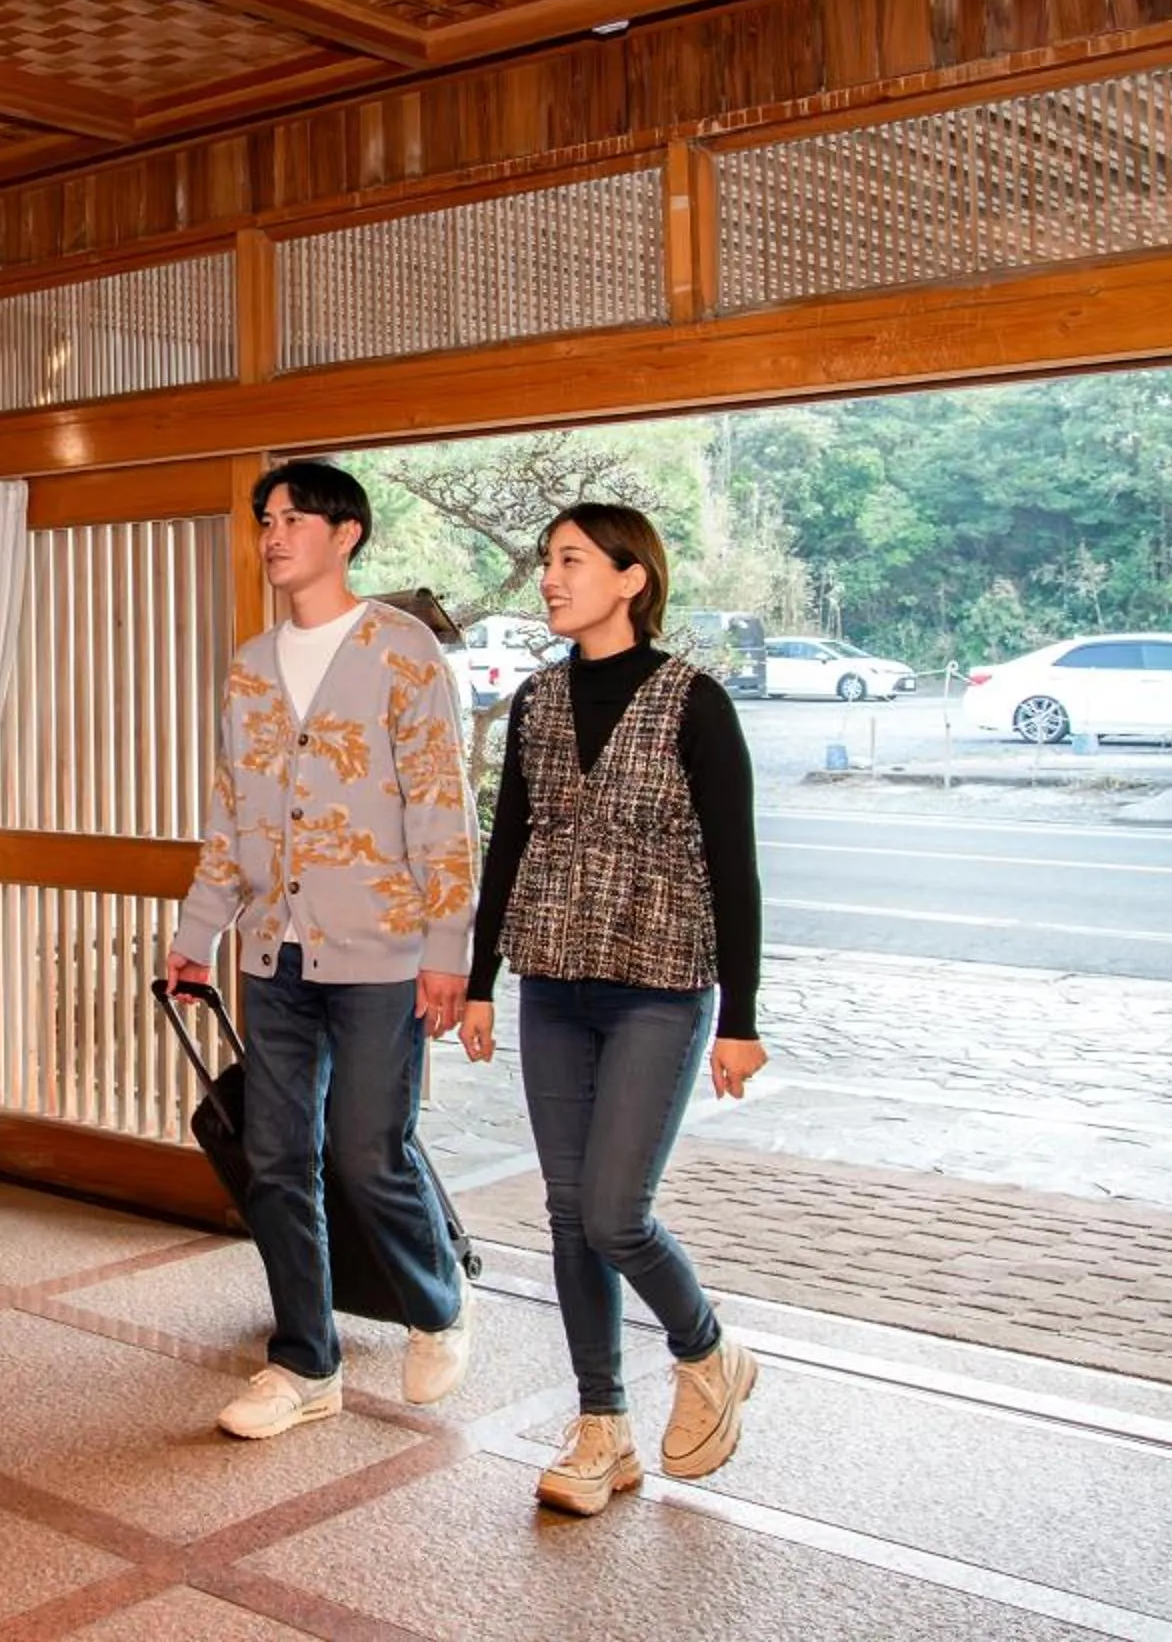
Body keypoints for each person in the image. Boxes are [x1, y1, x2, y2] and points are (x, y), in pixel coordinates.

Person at [456, 501, 768, 1514]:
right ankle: (602, 1427)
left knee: (613, 1211)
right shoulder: (539, 701)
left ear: (632, 578)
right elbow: (510, 845)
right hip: (553, 981)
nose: (551, 576)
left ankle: (708, 1349)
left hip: (662, 987)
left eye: (572, 560)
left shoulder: (693, 700)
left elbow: (735, 864)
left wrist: (741, 1017)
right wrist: (478, 981)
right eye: (549, 560)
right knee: (563, 1211)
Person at [167, 460, 479, 1439]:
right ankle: (307, 1360)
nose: (273, 532)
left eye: (293, 516)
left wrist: (449, 947)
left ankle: (437, 1304)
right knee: (272, 1156)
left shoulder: (403, 650)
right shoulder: (251, 664)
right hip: (274, 952)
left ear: (346, 533)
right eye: (266, 517)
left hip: (386, 950)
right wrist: (195, 934)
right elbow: (232, 812)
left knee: (368, 1150)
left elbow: (440, 804)